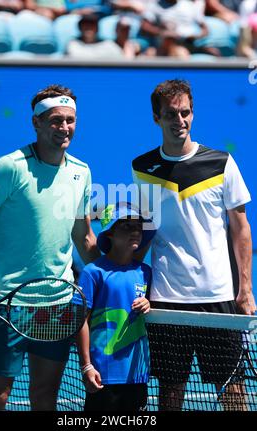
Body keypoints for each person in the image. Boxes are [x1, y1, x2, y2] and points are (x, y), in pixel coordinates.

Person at [0, 84, 100, 411]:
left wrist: (113, 276)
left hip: (58, 304)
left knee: (44, 395)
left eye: (70, 120)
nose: (64, 127)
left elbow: (84, 237)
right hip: (8, 305)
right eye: (55, 120)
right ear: (36, 123)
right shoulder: (10, 167)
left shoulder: (82, 172)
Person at [132, 79, 256, 410]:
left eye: (185, 112)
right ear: (157, 118)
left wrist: (245, 290)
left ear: (193, 114)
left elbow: (241, 228)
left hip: (217, 295)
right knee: (171, 390)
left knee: (232, 389)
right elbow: (145, 231)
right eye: (171, 114)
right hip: (167, 297)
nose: (180, 121)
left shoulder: (222, 163)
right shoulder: (142, 169)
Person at [75, 201, 156, 411]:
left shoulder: (145, 272)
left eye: (138, 226)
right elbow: (80, 321)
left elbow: (150, 311)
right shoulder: (93, 273)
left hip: (137, 374)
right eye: (126, 226)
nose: (135, 231)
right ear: (110, 233)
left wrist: (149, 303)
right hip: (103, 374)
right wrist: (86, 366)